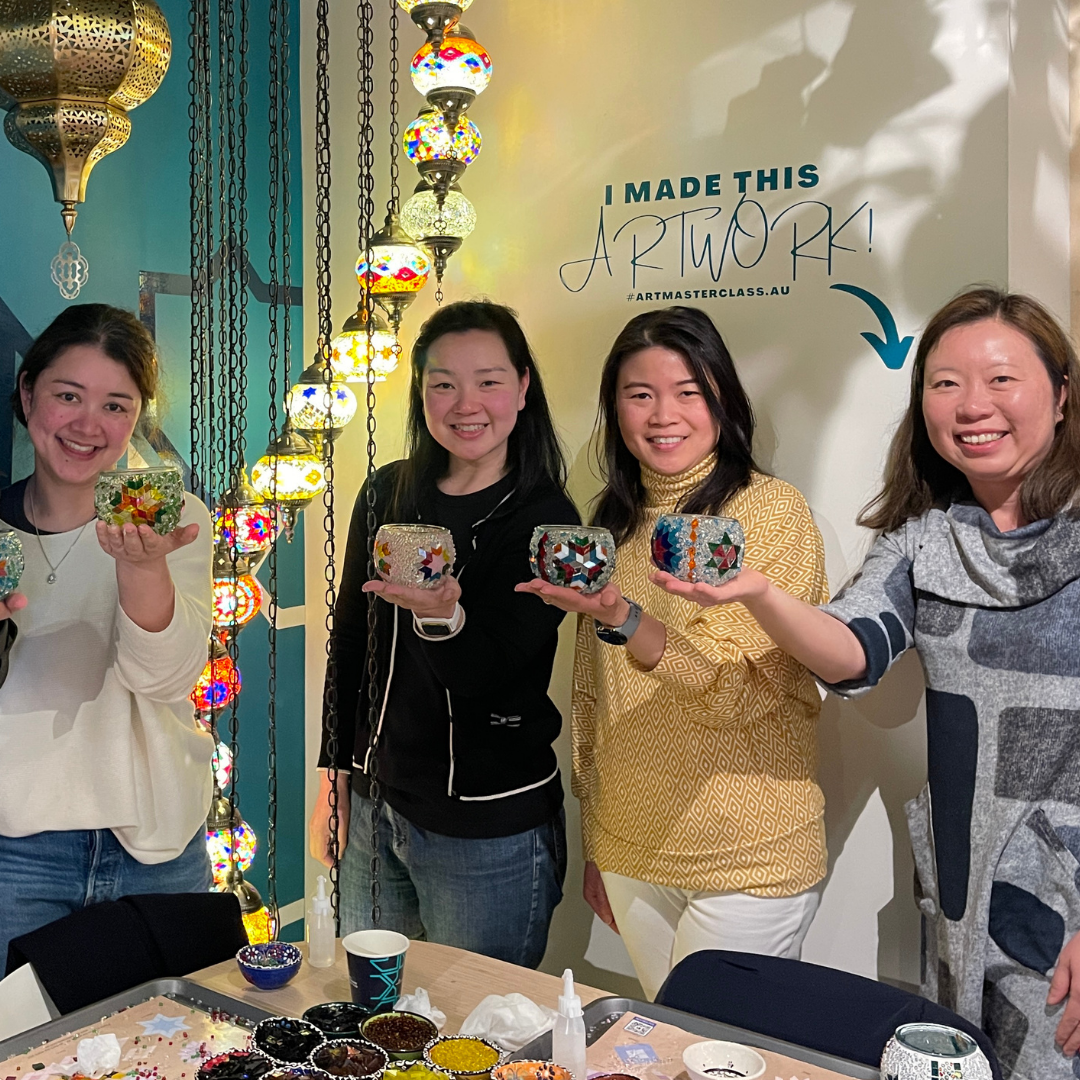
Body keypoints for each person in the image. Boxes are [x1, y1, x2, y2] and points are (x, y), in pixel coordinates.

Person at [652, 288, 1080, 1077]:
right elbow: (852, 648)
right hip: (966, 895)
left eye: (1001, 379)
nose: (972, 405)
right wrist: (758, 592)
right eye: (945, 383)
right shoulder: (923, 540)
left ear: (1060, 394)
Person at [517, 306, 829, 999]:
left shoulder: (769, 512)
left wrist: (626, 618)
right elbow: (592, 694)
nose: (664, 415)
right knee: (661, 1039)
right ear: (614, 409)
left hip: (747, 856)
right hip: (631, 847)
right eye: (640, 394)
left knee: (716, 1048)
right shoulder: (614, 522)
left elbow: (739, 689)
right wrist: (601, 839)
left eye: (688, 392)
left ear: (723, 399)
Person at [310, 300, 578, 967]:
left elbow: (491, 674)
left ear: (523, 387)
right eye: (443, 384)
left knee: (477, 1019)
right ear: (421, 393)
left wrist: (441, 616)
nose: (466, 404)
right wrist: (334, 780)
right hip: (374, 809)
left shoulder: (547, 521)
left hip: (488, 831)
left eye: (488, 381)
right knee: (372, 1005)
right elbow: (350, 645)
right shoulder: (386, 493)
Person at [0, 304, 214, 974]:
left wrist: (143, 569)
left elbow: (167, 679)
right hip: (18, 854)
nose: (88, 424)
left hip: (159, 845)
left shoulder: (173, 520)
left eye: (115, 405)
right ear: (28, 393)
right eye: (68, 395)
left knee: (177, 1031)